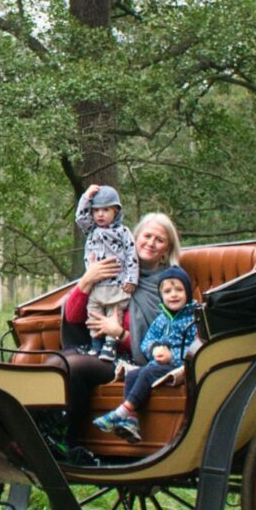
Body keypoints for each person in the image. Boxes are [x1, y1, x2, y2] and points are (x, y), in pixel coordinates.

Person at [55, 210, 183, 437]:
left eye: (159, 240)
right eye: (147, 236)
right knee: (52, 363)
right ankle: (31, 433)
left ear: (167, 249)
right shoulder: (115, 268)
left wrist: (119, 333)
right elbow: (74, 317)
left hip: (130, 359)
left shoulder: (169, 285)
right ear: (134, 238)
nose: (151, 243)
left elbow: (165, 341)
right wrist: (88, 279)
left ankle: (71, 441)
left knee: (73, 367)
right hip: (96, 347)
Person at [93, 265, 201, 440]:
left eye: (179, 290)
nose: (173, 295)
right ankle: (131, 420)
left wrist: (172, 356)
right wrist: (154, 349)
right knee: (132, 375)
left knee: (148, 373)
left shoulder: (193, 318)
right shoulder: (161, 319)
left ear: (188, 293)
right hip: (157, 364)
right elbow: (146, 342)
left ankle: (121, 411)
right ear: (161, 295)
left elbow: (196, 346)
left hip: (180, 366)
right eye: (167, 291)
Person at [74, 184, 137, 362]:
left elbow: (132, 255)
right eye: (96, 210)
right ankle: (96, 344)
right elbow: (80, 218)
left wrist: (131, 279)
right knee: (93, 313)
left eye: (106, 210)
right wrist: (86, 197)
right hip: (96, 285)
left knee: (114, 315)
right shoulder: (91, 230)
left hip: (116, 285)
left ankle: (110, 346)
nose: (100, 214)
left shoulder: (123, 232)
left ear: (116, 211)